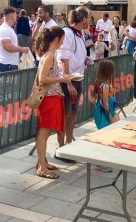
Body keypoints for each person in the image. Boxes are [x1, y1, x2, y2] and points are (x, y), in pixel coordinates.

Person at [33, 27, 75, 179]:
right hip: (49, 98)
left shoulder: (49, 54)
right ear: (56, 39)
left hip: (51, 97)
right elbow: (43, 79)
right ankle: (42, 167)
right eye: (62, 39)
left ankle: (42, 163)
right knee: (44, 132)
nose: (63, 42)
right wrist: (62, 79)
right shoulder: (50, 55)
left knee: (44, 132)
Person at [55, 6, 90, 160]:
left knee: (73, 113)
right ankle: (61, 148)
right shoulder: (67, 33)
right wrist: (68, 83)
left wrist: (86, 60)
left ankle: (69, 142)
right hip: (67, 81)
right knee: (65, 114)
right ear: (82, 19)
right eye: (88, 18)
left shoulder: (80, 33)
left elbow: (76, 55)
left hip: (77, 78)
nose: (89, 21)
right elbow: (63, 59)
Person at [90, 59, 119, 172]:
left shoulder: (100, 83)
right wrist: (111, 117)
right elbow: (104, 104)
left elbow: (94, 100)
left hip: (101, 113)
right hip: (104, 115)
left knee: (105, 137)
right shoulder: (106, 86)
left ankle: (102, 160)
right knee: (105, 138)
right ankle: (100, 163)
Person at [0, 7, 29, 72]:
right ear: (12, 16)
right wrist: (22, 49)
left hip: (8, 63)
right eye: (16, 15)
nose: (17, 17)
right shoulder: (5, 29)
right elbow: (7, 46)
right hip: (7, 64)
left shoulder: (8, 28)